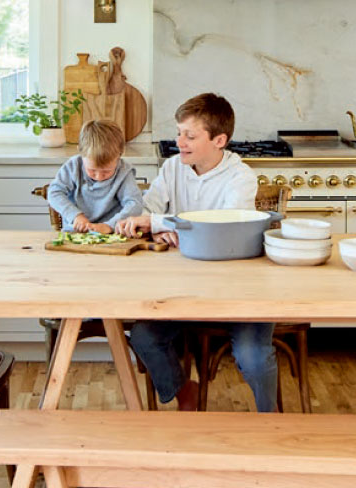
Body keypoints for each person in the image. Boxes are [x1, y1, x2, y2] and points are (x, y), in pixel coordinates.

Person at [115, 93, 277, 412]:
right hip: (183, 289)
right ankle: (183, 389)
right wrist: (158, 225)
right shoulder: (174, 167)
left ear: (219, 140)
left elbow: (223, 227)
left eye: (190, 135)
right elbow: (149, 208)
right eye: (179, 132)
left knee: (254, 358)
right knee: (144, 337)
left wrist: (162, 221)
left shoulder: (241, 177)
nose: (180, 142)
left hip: (238, 290)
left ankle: (270, 417)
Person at [47, 119, 143, 234]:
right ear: (81, 152)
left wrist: (109, 225)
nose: (99, 176)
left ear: (119, 155)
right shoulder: (73, 166)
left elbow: (135, 204)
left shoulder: (124, 171)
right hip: (75, 232)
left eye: (106, 171)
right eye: (92, 170)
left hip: (112, 233)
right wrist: (75, 215)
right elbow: (54, 192)